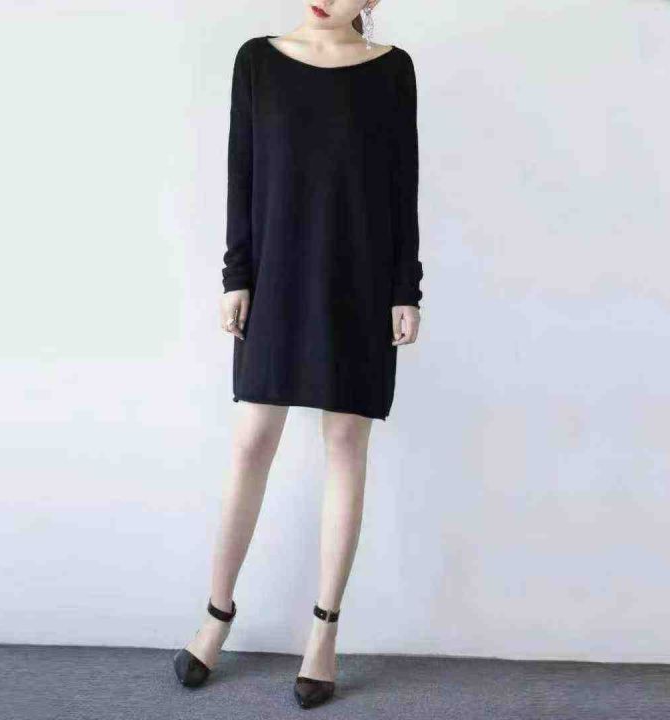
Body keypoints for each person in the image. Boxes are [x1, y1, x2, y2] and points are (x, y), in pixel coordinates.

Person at [174, 0, 423, 709]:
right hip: (278, 276)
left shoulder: (391, 71)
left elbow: (401, 183)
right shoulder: (258, 61)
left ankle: (324, 633)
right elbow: (242, 174)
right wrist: (236, 275)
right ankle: (216, 615)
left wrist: (405, 289)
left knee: (345, 441)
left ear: (370, 1)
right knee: (253, 440)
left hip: (359, 279)